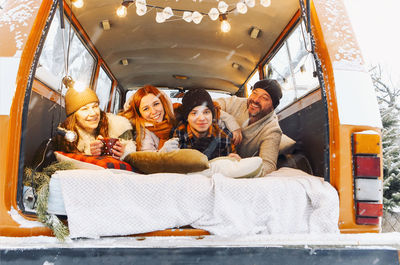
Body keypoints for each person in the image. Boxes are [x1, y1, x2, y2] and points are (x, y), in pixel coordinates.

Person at [215, 79, 283, 175]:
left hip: (236, 166)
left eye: (264, 98)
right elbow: (206, 106)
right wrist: (231, 122)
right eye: (254, 93)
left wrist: (242, 164)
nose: (255, 100)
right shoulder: (235, 102)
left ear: (273, 107)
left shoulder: (272, 130)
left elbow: (268, 165)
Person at [55, 87, 136, 159]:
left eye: (95, 106)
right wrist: (89, 154)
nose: (93, 113)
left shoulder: (118, 126)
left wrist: (124, 153)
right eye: (84, 109)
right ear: (73, 116)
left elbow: (131, 150)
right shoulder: (66, 135)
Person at [172, 88, 240, 160]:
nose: (201, 118)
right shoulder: (179, 134)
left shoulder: (224, 136)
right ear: (187, 117)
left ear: (212, 115)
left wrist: (233, 161)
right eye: (194, 113)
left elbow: (233, 166)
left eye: (206, 112)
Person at [120, 85, 176, 151]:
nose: (153, 111)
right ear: (139, 113)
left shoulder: (172, 123)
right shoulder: (143, 132)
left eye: (156, 104)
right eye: (146, 109)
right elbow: (147, 159)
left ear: (163, 104)